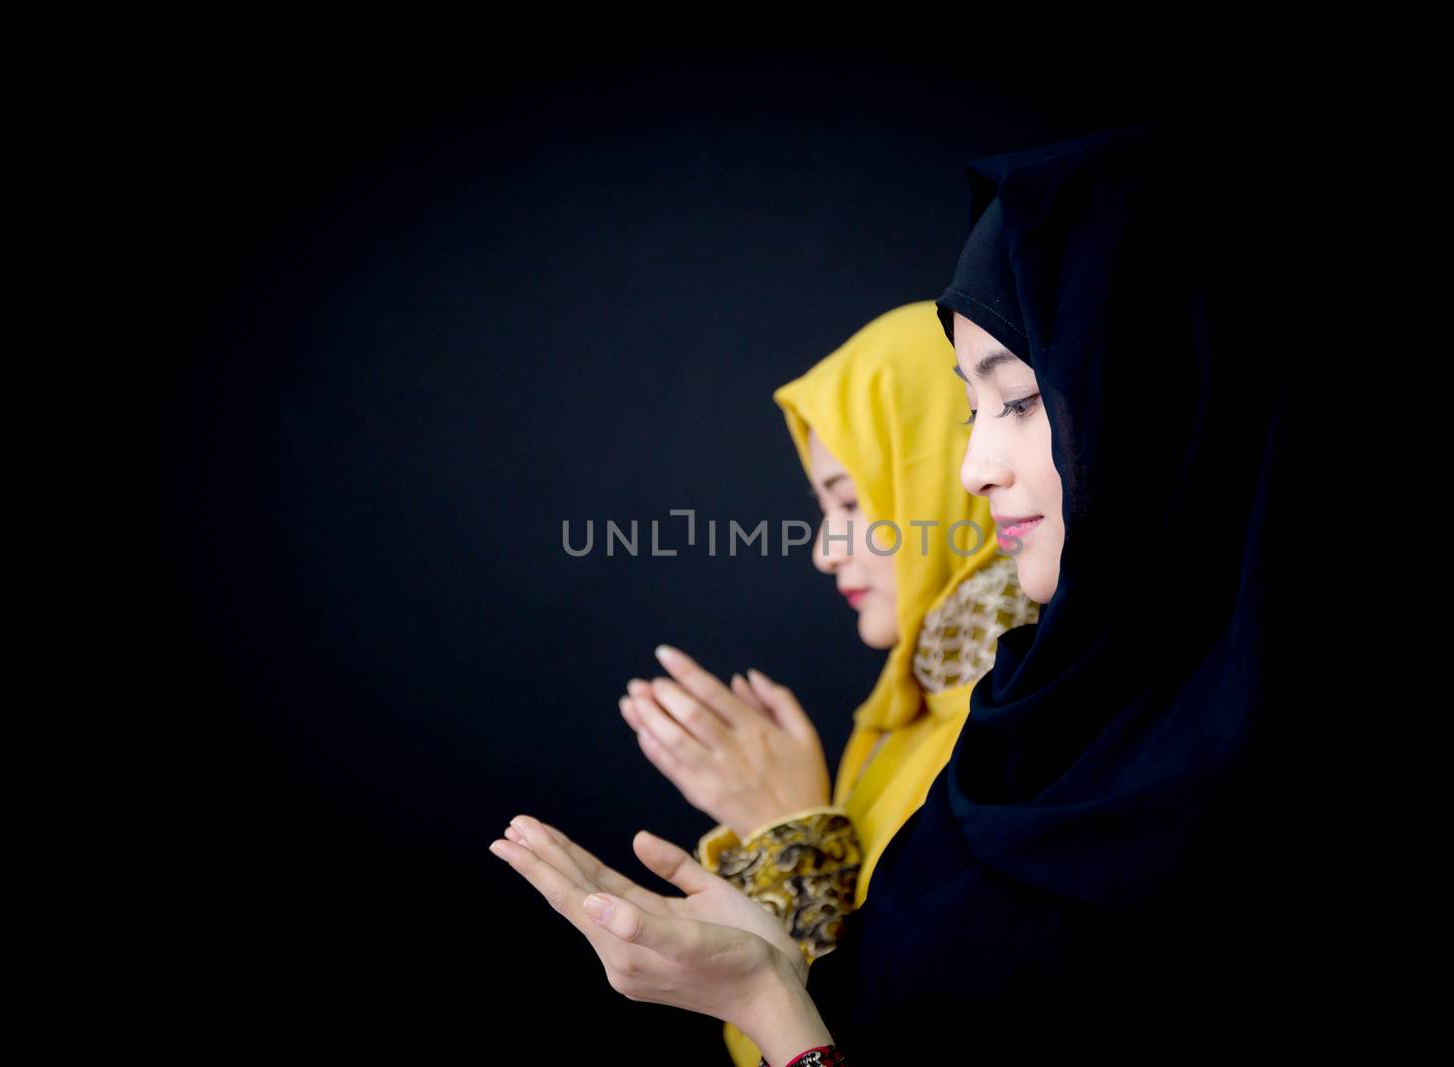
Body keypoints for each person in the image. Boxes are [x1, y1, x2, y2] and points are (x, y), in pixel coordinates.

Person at [488, 121, 1296, 1063]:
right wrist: (767, 956)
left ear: (1152, 397)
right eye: (967, 409)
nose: (971, 469)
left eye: (1022, 399)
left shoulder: (1101, 756)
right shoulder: (1011, 729)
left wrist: (788, 860)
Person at [616, 300, 1038, 1066]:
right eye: (824, 507)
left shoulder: (1021, 743)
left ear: (934, 481)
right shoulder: (897, 718)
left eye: (850, 500)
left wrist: (791, 832)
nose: (823, 550)